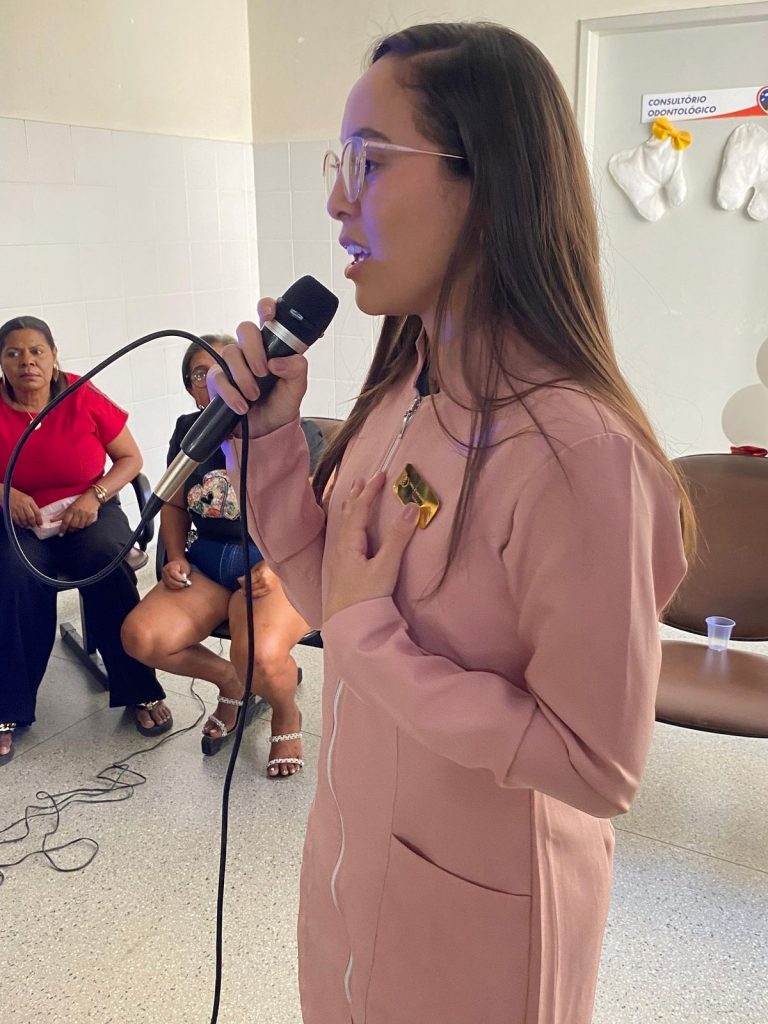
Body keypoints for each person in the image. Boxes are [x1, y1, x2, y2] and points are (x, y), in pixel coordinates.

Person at [209, 23, 691, 1024]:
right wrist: (272, 443)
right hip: (353, 867)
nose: (337, 200)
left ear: (487, 183)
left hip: (482, 923)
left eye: (369, 162)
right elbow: (334, 601)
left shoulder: (582, 458)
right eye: (339, 164)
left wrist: (376, 644)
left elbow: (596, 765)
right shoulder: (404, 393)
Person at [121, 335, 313, 777]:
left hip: (273, 565)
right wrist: (174, 556)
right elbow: (173, 502)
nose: (213, 381)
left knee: (260, 657)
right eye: (200, 375)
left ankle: (285, 712)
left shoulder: (289, 429)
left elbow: (316, 513)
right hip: (207, 563)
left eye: (225, 369)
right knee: (141, 638)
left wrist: (278, 566)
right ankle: (231, 681)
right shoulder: (189, 431)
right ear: (192, 390)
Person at [0, 315, 172, 768]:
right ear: (2, 362)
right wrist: (5, 493)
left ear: (54, 356)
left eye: (36, 351)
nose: (26, 362)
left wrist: (95, 496)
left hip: (88, 509)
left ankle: (139, 688)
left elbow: (130, 459)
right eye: (14, 353)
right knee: (14, 575)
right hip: (19, 519)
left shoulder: (82, 394)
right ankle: (8, 707)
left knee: (106, 560)